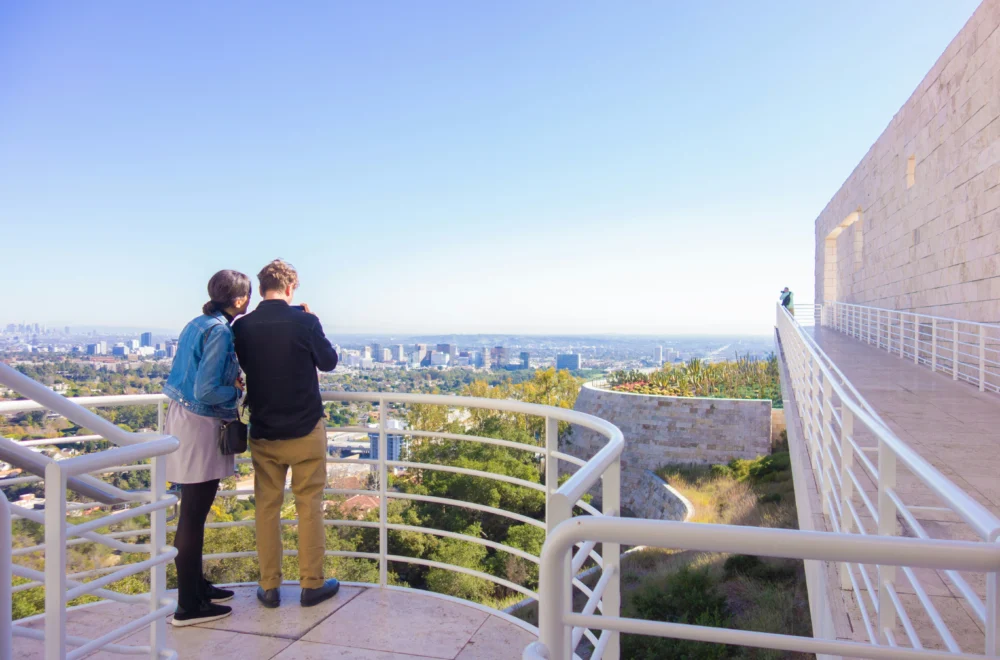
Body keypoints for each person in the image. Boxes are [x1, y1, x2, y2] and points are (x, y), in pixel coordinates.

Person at [233, 259, 340, 608]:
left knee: (267, 508)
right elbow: (328, 362)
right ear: (291, 288)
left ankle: (270, 587)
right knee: (309, 506)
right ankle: (311, 585)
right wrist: (312, 320)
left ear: (261, 289)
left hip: (264, 431)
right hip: (306, 427)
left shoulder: (242, 326)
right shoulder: (305, 321)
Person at [163, 269, 252, 626]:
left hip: (183, 419)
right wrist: (239, 392)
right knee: (194, 515)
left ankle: (196, 587)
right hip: (199, 424)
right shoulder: (219, 330)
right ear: (240, 299)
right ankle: (188, 604)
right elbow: (206, 390)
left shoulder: (197, 323)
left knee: (192, 510)